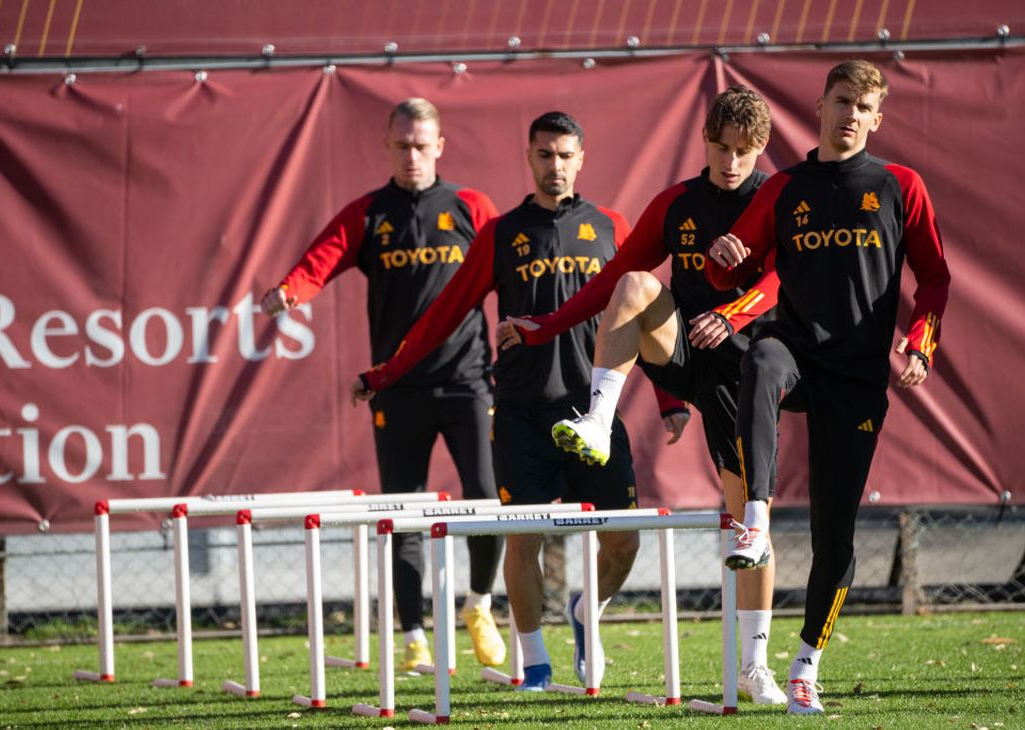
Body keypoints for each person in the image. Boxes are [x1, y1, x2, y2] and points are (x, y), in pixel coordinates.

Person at [497, 86, 788, 705]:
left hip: (749, 371)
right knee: (632, 284)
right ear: (704, 142)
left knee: (747, 522)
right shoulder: (676, 203)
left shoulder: (775, 196)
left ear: (761, 148)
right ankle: (599, 419)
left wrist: (734, 313)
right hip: (686, 357)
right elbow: (610, 280)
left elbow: (782, 279)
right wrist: (545, 327)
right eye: (719, 148)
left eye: (743, 151)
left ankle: (756, 666)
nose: (730, 162)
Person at [354, 112, 639, 692]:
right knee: (524, 538)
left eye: (564, 155)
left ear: (581, 158)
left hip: (593, 416)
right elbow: (443, 314)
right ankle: (533, 661)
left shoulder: (612, 226)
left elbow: (644, 317)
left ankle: (587, 612)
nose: (554, 166)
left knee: (624, 542)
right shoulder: (501, 233)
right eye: (543, 155)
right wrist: (386, 371)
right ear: (527, 157)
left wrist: (670, 403)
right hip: (521, 413)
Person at [703, 60, 950, 714]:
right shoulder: (783, 187)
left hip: (858, 374)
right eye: (841, 100)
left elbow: (935, 280)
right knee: (759, 360)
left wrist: (921, 340)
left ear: (876, 118)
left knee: (833, 538)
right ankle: (752, 520)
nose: (849, 114)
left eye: (863, 106)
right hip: (796, 347)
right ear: (820, 104)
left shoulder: (901, 186)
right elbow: (735, 269)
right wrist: (722, 257)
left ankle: (806, 664)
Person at [260, 98, 506, 672]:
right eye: (402, 145)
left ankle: (479, 605)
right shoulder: (369, 213)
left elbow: (507, 268)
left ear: (440, 146)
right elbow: (321, 259)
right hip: (396, 388)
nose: (412, 155)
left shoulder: (471, 206)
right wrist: (290, 291)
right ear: (387, 147)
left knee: (488, 501)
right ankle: (415, 635)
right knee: (404, 509)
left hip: (469, 379)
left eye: (422, 145)